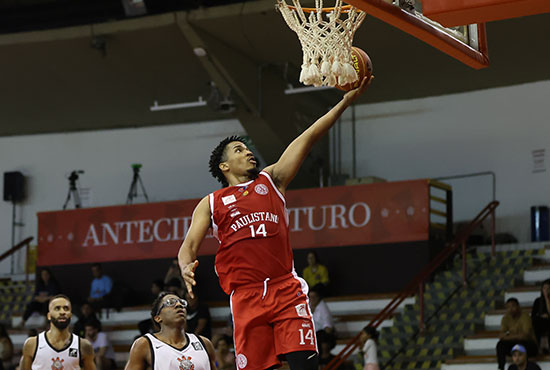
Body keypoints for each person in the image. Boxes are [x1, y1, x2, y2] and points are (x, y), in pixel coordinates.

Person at [178, 76, 372, 370]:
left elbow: (307, 139)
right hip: (245, 297)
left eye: (247, 148)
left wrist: (343, 103)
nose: (247, 152)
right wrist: (185, 266)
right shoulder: (212, 202)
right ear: (224, 166)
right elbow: (188, 246)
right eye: (239, 150)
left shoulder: (271, 181)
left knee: (305, 366)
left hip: (286, 290)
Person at [124, 292, 216, 370]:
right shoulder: (145, 344)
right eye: (170, 303)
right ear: (158, 318)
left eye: (182, 303)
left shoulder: (204, 343)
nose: (179, 305)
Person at [19, 294, 96, 370]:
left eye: (66, 308)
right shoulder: (32, 344)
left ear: (71, 316)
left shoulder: (83, 346)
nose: (62, 312)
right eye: (57, 308)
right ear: (49, 316)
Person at [497, 298, 538, 370]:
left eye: (513, 306)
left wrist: (508, 336)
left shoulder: (525, 316)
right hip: (515, 344)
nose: (511, 309)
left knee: (520, 344)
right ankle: (501, 368)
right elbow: (501, 336)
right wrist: (517, 336)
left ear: (518, 306)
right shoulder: (505, 318)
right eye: (508, 307)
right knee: (500, 345)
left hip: (529, 345)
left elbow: (525, 336)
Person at [308, 285, 335, 366]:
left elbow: (328, 328)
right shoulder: (308, 306)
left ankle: (324, 356)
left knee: (322, 335)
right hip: (311, 335)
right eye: (310, 297)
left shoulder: (323, 309)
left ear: (318, 297)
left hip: (320, 337)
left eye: (314, 297)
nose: (312, 299)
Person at [531, 279, 550, 353]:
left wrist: (546, 298)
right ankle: (539, 347)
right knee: (535, 322)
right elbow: (533, 315)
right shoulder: (537, 301)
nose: (546, 290)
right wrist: (541, 316)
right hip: (540, 322)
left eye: (548, 288)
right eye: (544, 288)